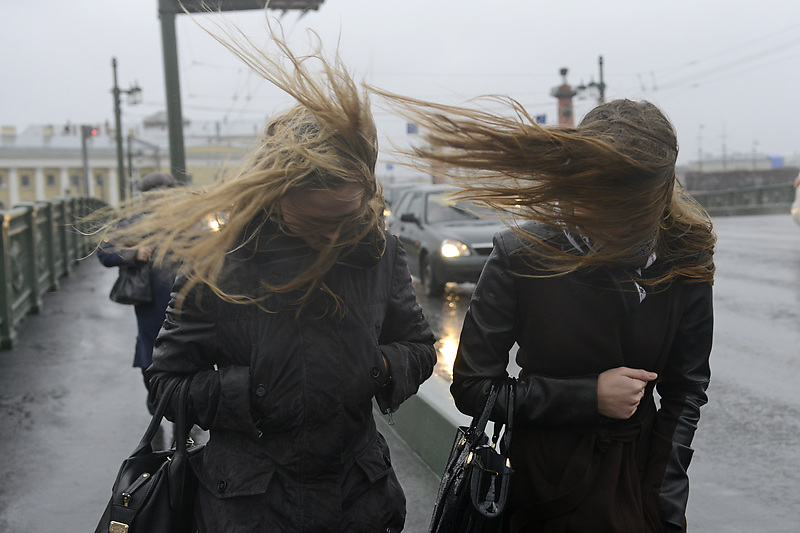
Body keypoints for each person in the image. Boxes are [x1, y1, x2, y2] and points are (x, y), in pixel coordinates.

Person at [102, 23, 436, 533]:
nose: (333, 238)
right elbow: (164, 384)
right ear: (276, 199)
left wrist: (378, 367)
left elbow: (418, 346)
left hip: (361, 502)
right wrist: (252, 392)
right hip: (251, 509)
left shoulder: (380, 253)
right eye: (316, 222)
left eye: (347, 218)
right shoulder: (217, 263)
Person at [379, 95, 714, 532]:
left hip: (639, 491)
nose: (590, 211)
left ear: (651, 200)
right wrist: (587, 396)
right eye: (588, 191)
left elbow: (685, 393)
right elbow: (472, 387)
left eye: (613, 203)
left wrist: (665, 506)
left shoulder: (685, 259)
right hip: (540, 493)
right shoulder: (520, 254)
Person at [97, 171, 179, 414]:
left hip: (186, 300)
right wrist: (135, 254)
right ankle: (159, 409)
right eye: (152, 197)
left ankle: (182, 419)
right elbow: (105, 250)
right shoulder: (137, 223)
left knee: (188, 354)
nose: (158, 202)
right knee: (153, 352)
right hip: (152, 303)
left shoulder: (188, 220)